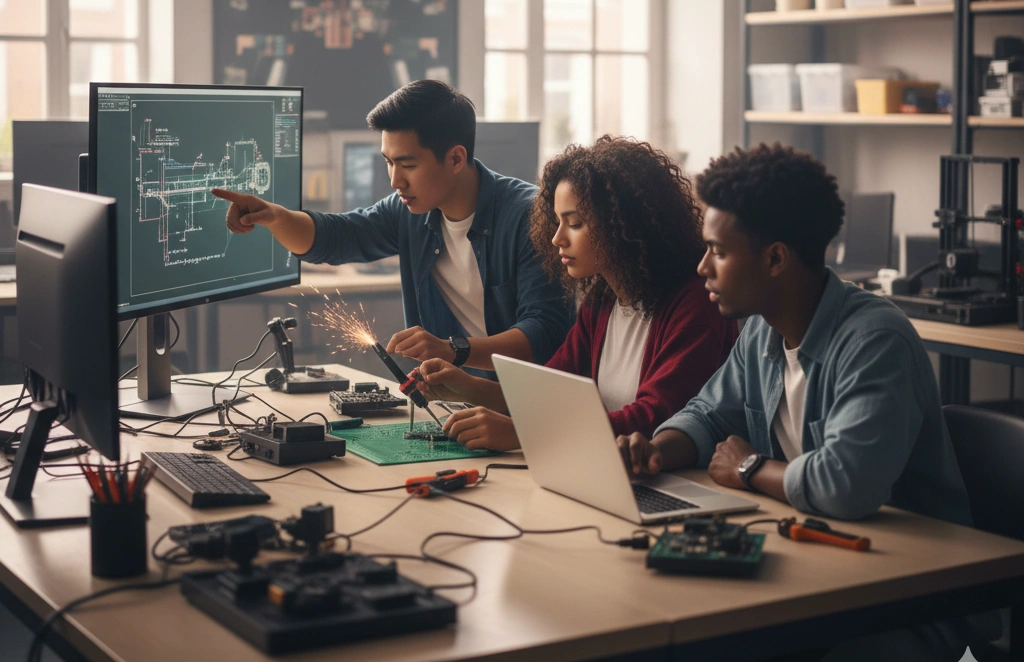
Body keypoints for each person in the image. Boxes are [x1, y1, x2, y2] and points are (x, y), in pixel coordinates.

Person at [616, 142, 995, 661]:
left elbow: (846, 485)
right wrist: (658, 451)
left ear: (775, 258)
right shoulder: (761, 331)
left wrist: (749, 467)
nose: (702, 267)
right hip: (822, 568)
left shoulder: (874, 340)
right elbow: (707, 413)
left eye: (718, 252)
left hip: (907, 597)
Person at [211, 80, 573, 372]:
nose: (395, 181)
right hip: (455, 398)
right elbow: (336, 237)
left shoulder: (529, 217)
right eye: (388, 162)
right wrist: (275, 216)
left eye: (408, 165)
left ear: (455, 158)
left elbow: (544, 332)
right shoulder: (409, 211)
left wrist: (452, 350)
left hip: (524, 404)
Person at [412, 136, 739, 451]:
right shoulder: (603, 298)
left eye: (575, 223)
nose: (557, 238)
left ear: (624, 223)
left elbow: (656, 417)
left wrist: (527, 433)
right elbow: (552, 389)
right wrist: (468, 387)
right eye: (557, 221)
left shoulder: (696, 303)